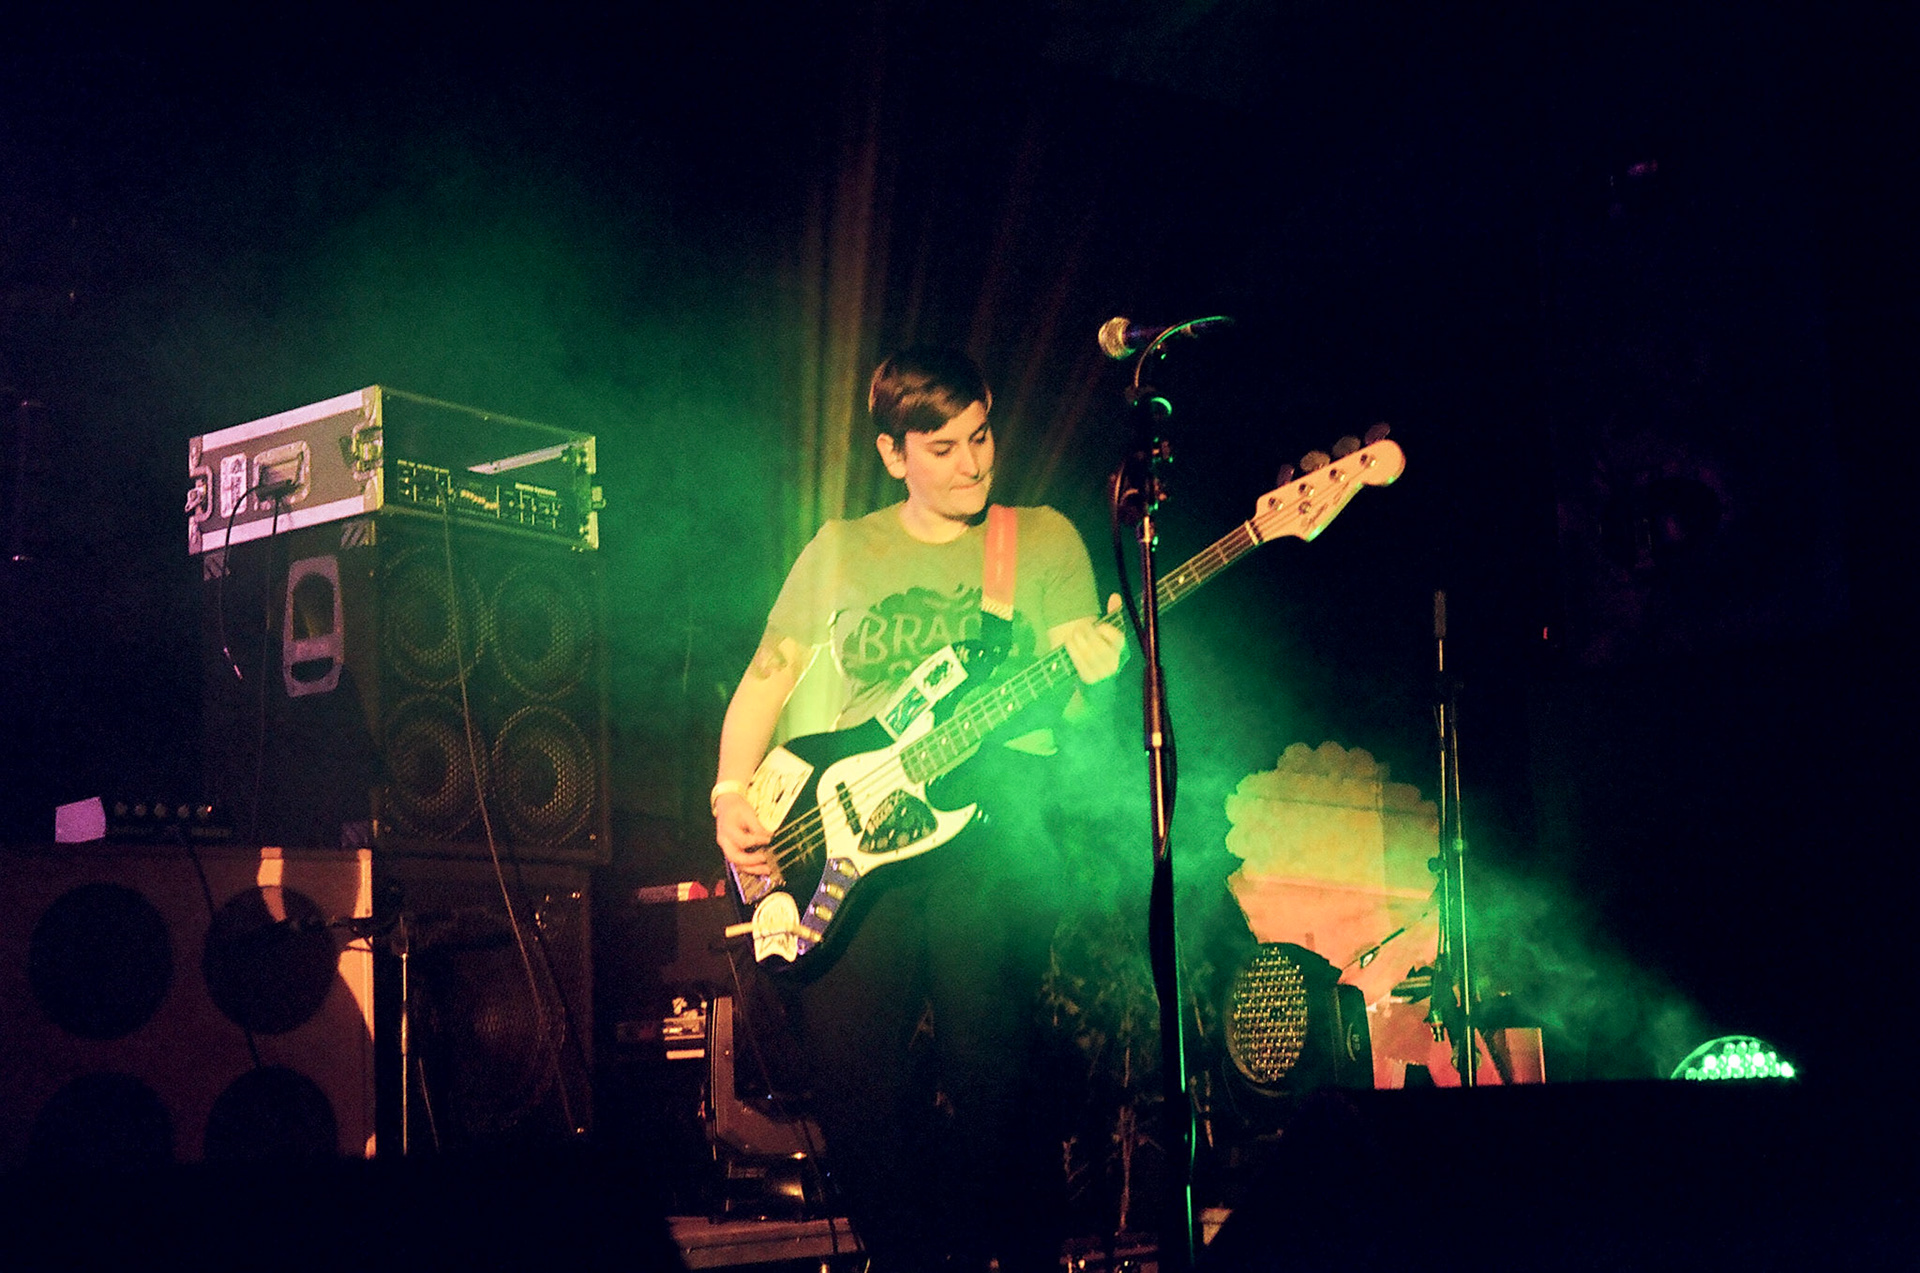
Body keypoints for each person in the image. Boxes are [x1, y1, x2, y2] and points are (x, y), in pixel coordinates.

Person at [713, 346, 1125, 1272]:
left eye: (981, 437)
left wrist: (1098, 681)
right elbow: (766, 680)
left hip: (993, 827)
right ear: (893, 454)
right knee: (854, 1090)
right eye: (943, 448)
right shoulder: (840, 548)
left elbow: (1072, 707)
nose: (973, 464)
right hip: (852, 834)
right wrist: (729, 793)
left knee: (994, 1082)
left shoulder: (1041, 538)